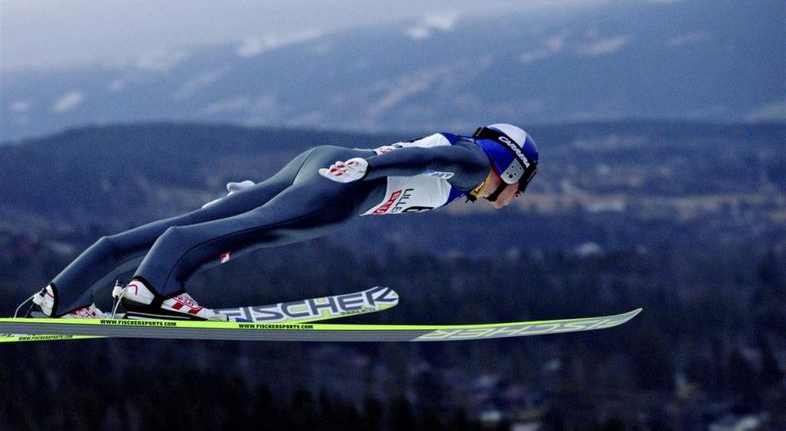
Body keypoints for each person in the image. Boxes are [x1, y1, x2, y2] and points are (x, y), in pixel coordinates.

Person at [30, 124, 539, 320]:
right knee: (253, 230)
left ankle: (60, 295)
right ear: (511, 167)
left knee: (210, 219)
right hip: (348, 182)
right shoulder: (475, 161)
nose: (515, 197)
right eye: (523, 185)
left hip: (320, 162)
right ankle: (153, 291)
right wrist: (369, 169)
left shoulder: (466, 152)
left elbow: (420, 157)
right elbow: (417, 161)